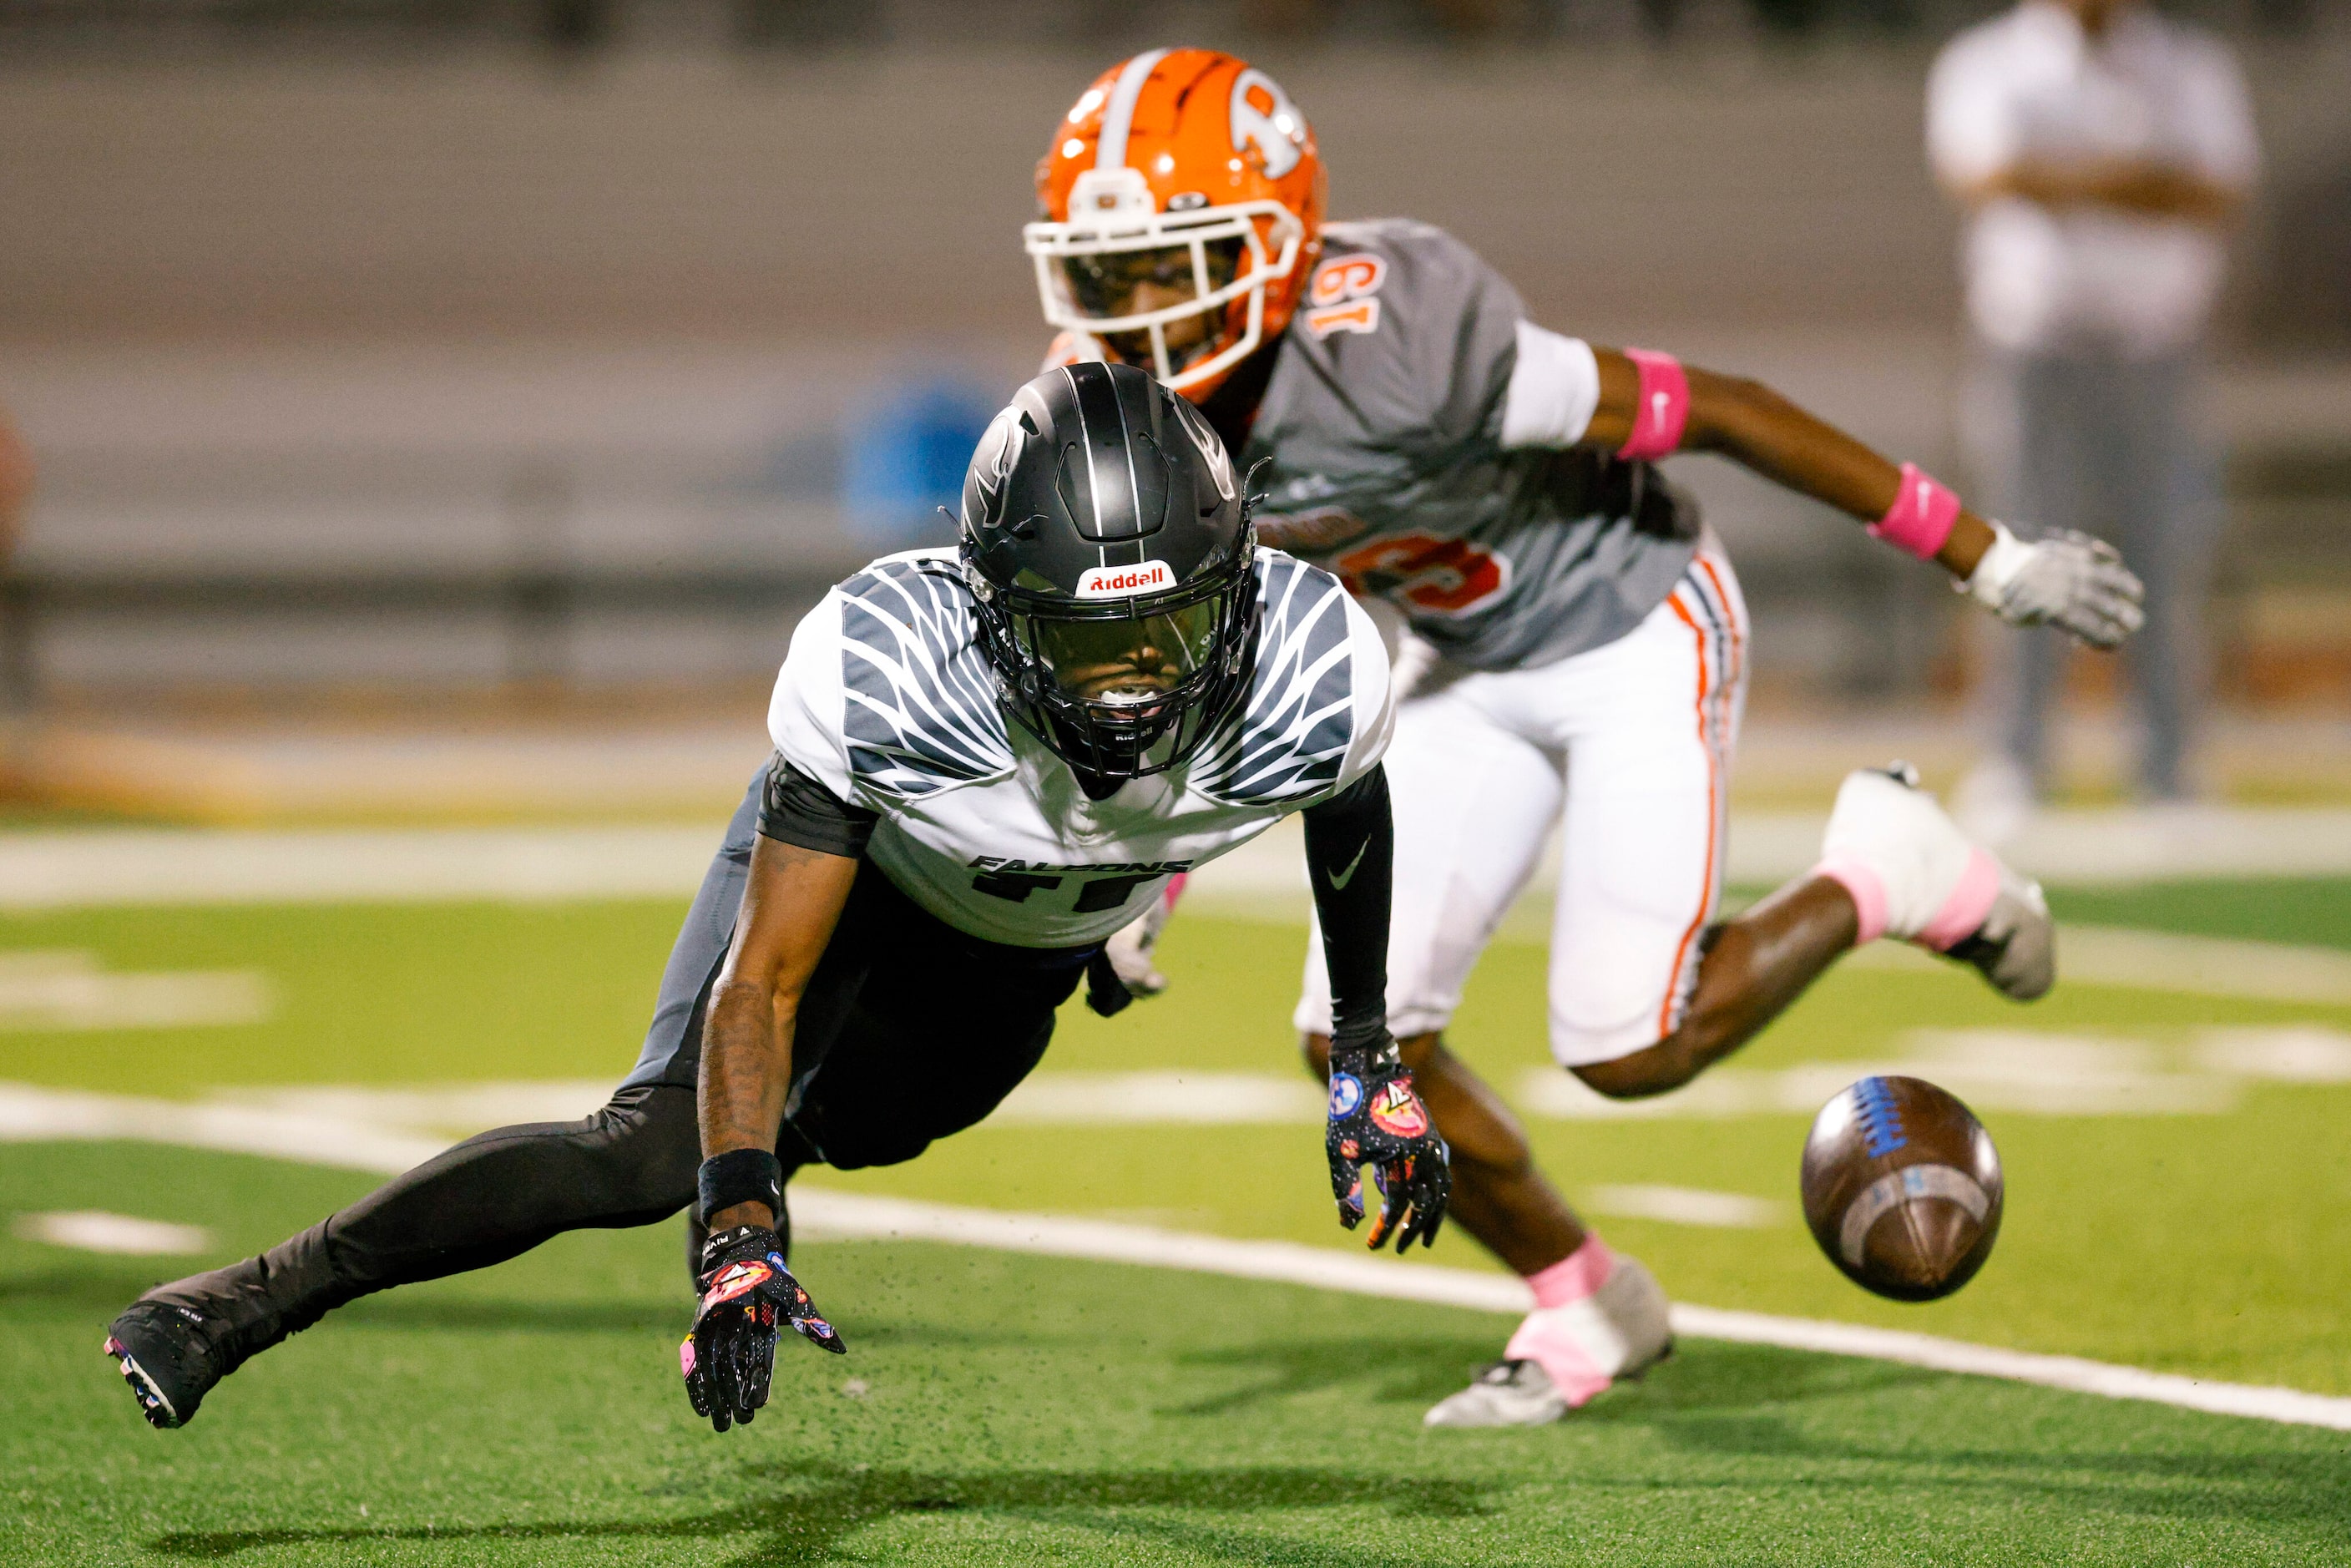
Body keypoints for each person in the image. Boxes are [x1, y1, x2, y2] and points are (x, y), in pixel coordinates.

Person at [1028, 48, 2146, 1427]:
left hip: (1630, 619)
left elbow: (1721, 409)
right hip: (1461, 658)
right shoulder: (1118, 415)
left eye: (1171, 264)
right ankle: (1584, 1297)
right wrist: (1157, 869)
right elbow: (1219, 657)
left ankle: (1885, 871)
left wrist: (1982, 555)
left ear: (1274, 240)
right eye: (1108, 273)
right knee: (1356, 1041)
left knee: (1629, 1044)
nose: (1136, 315)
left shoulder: (1402, 341)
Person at [102, 362, 1449, 1433]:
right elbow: (768, 982)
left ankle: (1066, 944)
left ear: (1236, 588)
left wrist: (1370, 1061)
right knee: (648, 1154)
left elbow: (1345, 815)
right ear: (989, 609)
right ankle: (232, 1304)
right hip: (871, 877)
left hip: (1034, 930)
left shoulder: (1312, 664)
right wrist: (736, 1220)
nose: (1129, 682)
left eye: (1170, 629)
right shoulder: (889, 670)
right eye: (1079, 637)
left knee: (888, 1125)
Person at [1929, 0, 2257, 811]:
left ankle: (2167, 766)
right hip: (2031, 344)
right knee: (2018, 548)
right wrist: (2140, 177)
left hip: (2156, 345)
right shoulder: (1989, 60)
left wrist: (2060, 177)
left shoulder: (2188, 64)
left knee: (2164, 549)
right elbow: (1987, 177)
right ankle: (2014, 760)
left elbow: (2217, 189)